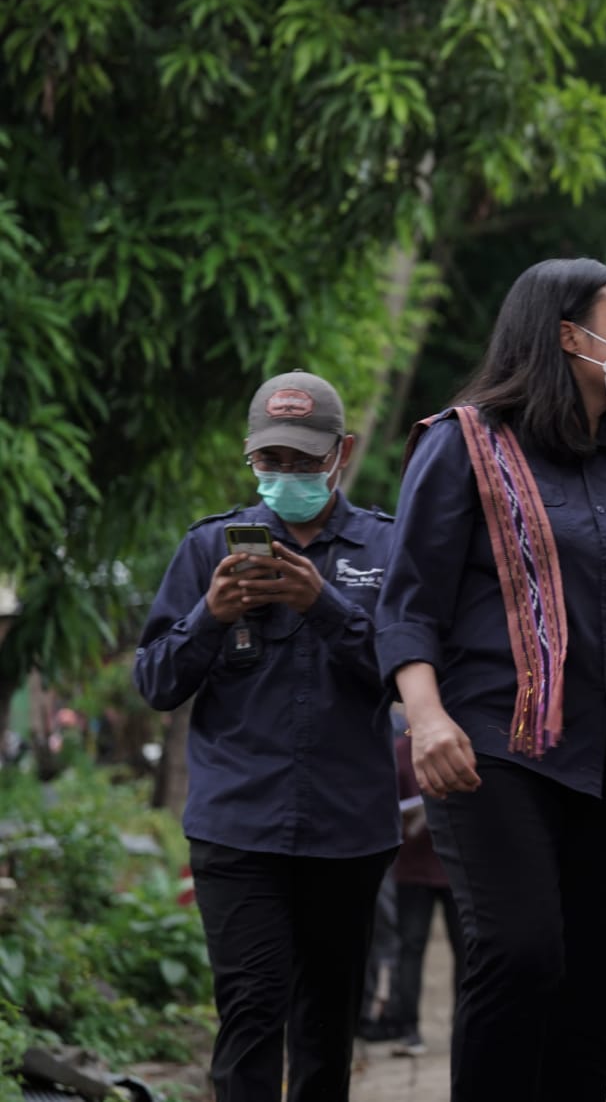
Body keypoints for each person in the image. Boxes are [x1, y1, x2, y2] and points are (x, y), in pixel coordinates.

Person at [374, 258, 606, 1102]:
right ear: (566, 334)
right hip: (496, 753)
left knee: (591, 988)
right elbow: (409, 599)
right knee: (520, 954)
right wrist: (426, 717)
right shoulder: (462, 443)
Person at [133, 371, 399, 1102]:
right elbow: (156, 683)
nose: (286, 476)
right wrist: (209, 617)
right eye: (270, 461)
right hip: (238, 830)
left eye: (304, 461)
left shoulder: (390, 548)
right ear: (250, 456)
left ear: (341, 452)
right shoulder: (207, 549)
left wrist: (327, 605)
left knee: (325, 1030)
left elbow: (411, 675)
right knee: (250, 1016)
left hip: (349, 833)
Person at [381, 728, 466, 1058]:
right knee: (409, 948)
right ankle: (408, 1029)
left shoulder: (462, 741)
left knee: (468, 952)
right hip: (412, 869)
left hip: (457, 869)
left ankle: (465, 1025)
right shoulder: (400, 752)